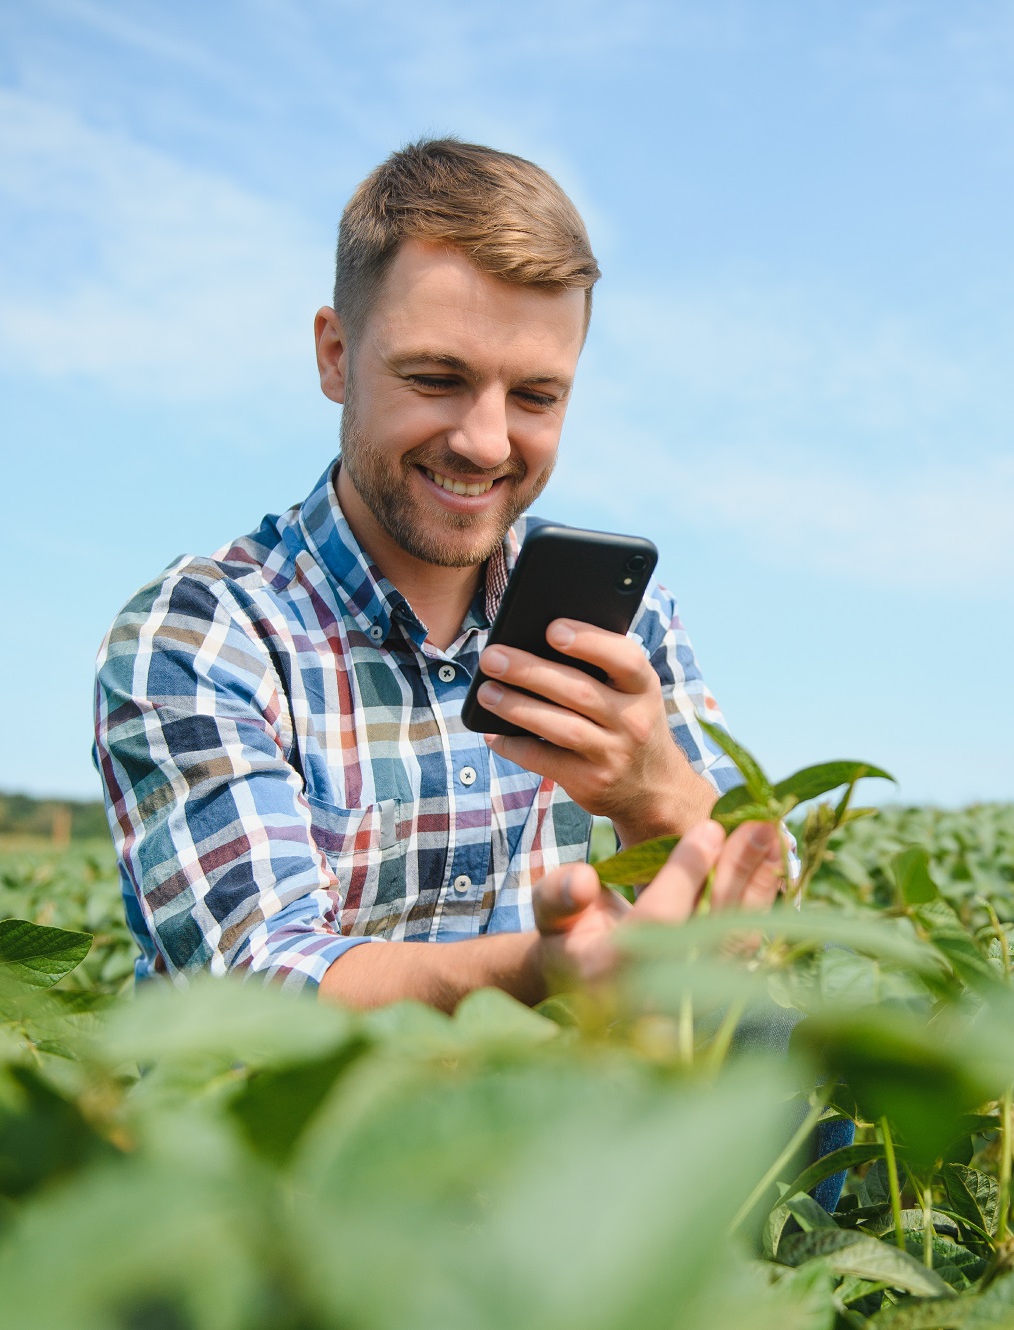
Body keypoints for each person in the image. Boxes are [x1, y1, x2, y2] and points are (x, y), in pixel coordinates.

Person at [92, 138, 783, 1010]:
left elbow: (766, 936)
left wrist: (654, 792)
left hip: (567, 1124)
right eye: (436, 377)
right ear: (335, 355)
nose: (487, 442)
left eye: (536, 396)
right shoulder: (211, 632)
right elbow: (257, 983)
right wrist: (542, 972)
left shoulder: (625, 629)